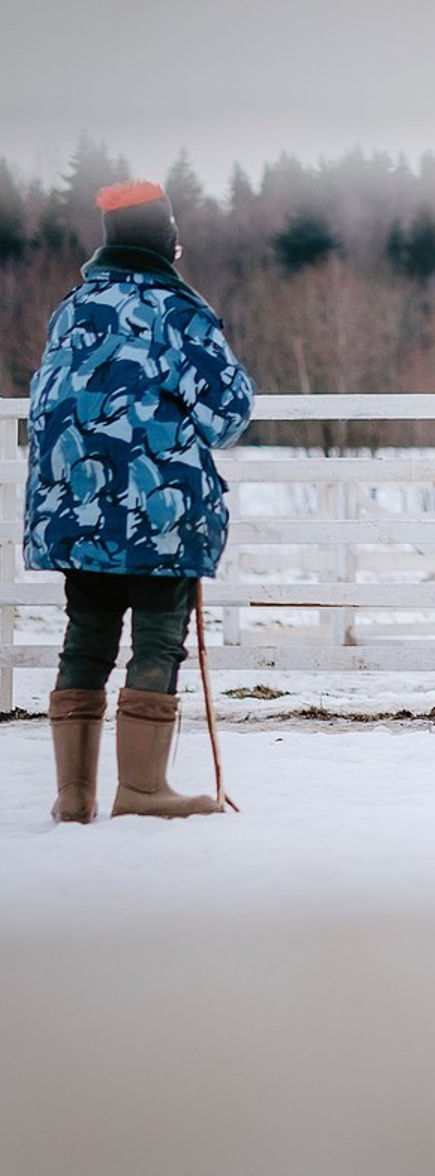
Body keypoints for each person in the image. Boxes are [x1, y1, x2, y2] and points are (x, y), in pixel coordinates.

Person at [25, 180, 255, 821]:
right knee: (158, 640)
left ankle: (74, 795)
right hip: (162, 514)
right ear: (165, 243)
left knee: (87, 637)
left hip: (78, 510)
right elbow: (227, 411)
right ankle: (143, 789)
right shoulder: (177, 311)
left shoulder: (72, 309)